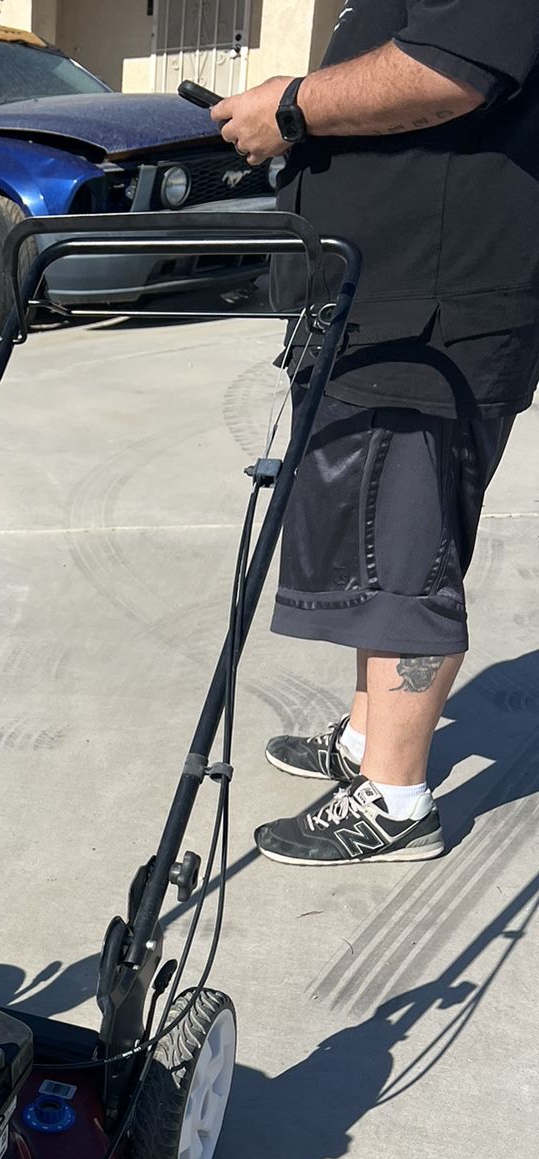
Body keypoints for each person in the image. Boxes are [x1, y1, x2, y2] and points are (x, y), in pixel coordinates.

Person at [211, 1, 539, 865]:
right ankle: (367, 743)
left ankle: (396, 799)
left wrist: (291, 105)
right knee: (368, 536)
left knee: (405, 548)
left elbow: (451, 69)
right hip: (376, 306)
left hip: (435, 314)